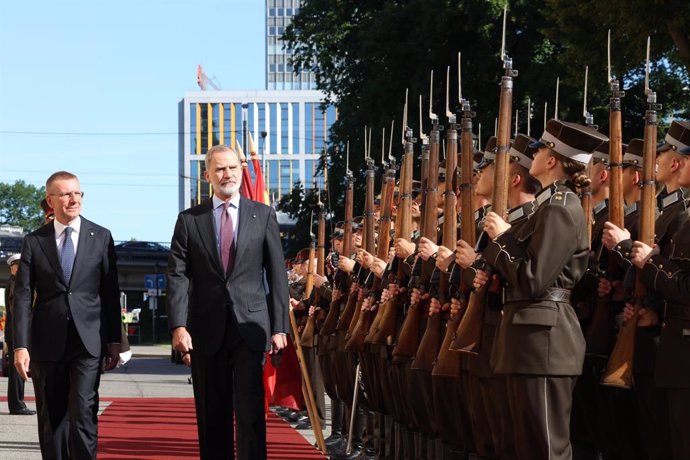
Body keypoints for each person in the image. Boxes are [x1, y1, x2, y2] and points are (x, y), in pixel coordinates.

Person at [474, 119, 608, 460]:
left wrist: (503, 238)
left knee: (545, 448)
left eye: (540, 149)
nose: (533, 153)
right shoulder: (550, 206)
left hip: (544, 343)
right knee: (522, 446)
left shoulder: (561, 208)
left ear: (552, 161)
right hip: (528, 340)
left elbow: (535, 279)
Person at [167, 144, 289, 460]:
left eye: (233, 167)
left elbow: (277, 274)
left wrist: (280, 327)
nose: (228, 174)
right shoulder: (189, 220)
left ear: (241, 169)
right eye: (220, 169)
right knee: (212, 414)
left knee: (250, 413)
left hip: (251, 328)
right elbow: (177, 277)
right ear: (207, 175)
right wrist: (179, 327)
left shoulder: (262, 215)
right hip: (205, 329)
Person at [13, 171, 122, 459]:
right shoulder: (34, 241)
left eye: (77, 193)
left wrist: (115, 341)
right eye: (65, 194)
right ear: (50, 200)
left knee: (84, 409)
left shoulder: (101, 237)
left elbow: (111, 293)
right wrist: (20, 346)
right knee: (52, 417)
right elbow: (23, 296)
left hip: (88, 341)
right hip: (46, 342)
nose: (73, 199)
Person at [4, 253, 36, 416]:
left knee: (17, 370)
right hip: (18, 333)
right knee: (17, 371)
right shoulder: (16, 284)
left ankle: (17, 403)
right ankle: (17, 405)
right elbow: (17, 312)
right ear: (13, 268)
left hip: (15, 332)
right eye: (17, 265)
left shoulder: (13, 282)